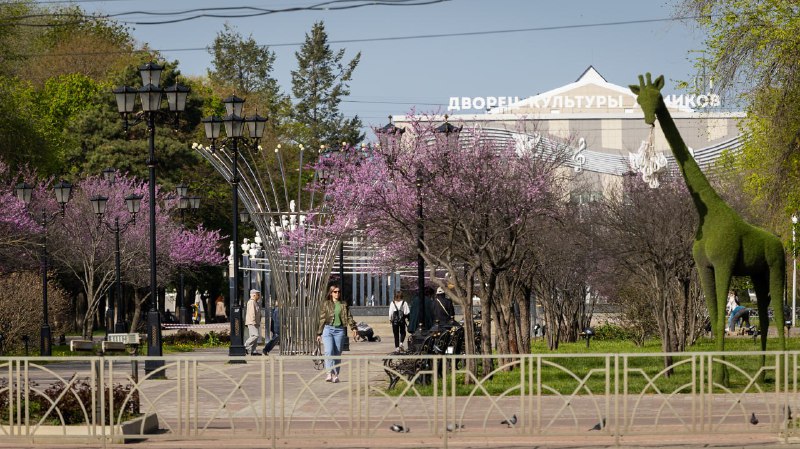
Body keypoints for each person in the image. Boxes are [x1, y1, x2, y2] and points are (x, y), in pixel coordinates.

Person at [316, 285, 357, 383]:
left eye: (338, 292)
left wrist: (354, 328)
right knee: (329, 351)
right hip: (328, 329)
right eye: (335, 292)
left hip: (339, 330)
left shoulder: (343, 304)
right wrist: (319, 333)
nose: (337, 293)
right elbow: (322, 319)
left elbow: (349, 317)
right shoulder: (326, 304)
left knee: (337, 353)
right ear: (331, 293)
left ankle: (335, 374)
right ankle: (329, 373)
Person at [244, 289, 262, 355]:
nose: (259, 296)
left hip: (255, 322)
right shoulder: (251, 302)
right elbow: (252, 313)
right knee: (255, 335)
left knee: (254, 337)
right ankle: (245, 346)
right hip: (252, 322)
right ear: (254, 295)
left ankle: (253, 351)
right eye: (258, 295)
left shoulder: (255, 302)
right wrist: (253, 321)